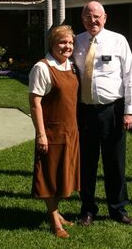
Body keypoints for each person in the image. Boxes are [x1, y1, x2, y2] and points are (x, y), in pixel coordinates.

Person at [73, 1, 132, 226]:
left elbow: (130, 77)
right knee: (87, 163)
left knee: (115, 163)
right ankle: (88, 209)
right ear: (83, 19)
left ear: (105, 17)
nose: (93, 21)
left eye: (97, 16)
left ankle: (117, 209)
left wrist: (129, 111)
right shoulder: (76, 41)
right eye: (89, 17)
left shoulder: (118, 41)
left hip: (113, 110)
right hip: (85, 112)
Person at [29, 25, 80, 238]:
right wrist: (41, 134)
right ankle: (54, 220)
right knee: (50, 177)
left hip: (71, 130)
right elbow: (35, 103)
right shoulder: (42, 68)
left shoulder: (71, 66)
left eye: (70, 42)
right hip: (52, 132)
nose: (67, 46)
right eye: (62, 42)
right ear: (52, 44)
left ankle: (57, 214)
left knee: (63, 175)